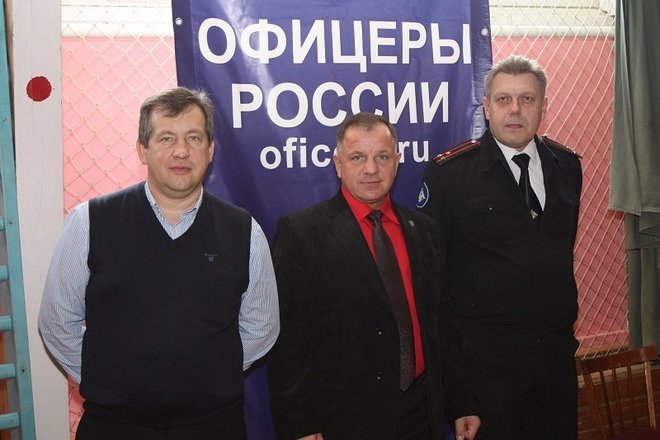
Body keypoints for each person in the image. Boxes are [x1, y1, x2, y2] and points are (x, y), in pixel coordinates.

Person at [38, 87, 280, 439]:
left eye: (194, 138)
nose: (181, 151)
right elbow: (57, 321)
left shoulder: (244, 230)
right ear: (143, 149)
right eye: (166, 138)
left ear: (210, 150)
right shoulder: (89, 222)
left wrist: (211, 373)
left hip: (214, 426)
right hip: (113, 427)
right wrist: (108, 379)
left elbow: (262, 326)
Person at [268, 112, 480, 440]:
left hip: (421, 413)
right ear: (338, 164)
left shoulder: (424, 230)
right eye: (357, 157)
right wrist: (301, 425)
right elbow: (288, 341)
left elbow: (442, 324)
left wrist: (461, 401)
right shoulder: (302, 233)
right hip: (345, 419)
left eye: (382, 157)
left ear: (397, 161)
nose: (371, 169)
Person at [417, 55, 582, 439]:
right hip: (486, 372)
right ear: (487, 107)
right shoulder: (451, 174)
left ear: (543, 106)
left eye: (527, 99)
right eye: (504, 99)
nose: (515, 109)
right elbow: (434, 290)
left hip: (554, 364)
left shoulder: (567, 165)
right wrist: (459, 395)